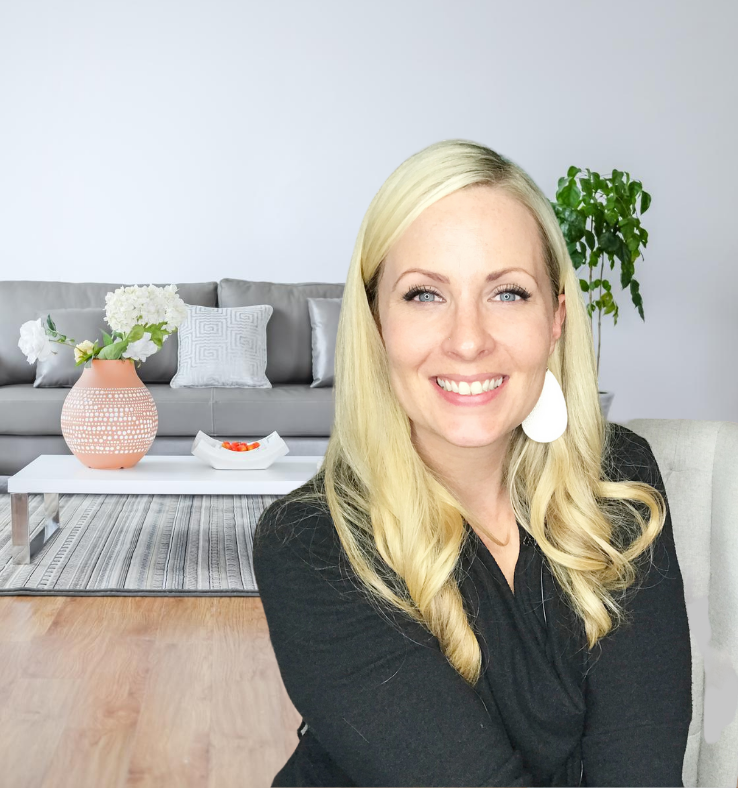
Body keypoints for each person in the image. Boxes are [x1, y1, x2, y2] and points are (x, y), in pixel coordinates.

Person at [253, 139, 692, 787]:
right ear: (376, 323)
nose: (467, 340)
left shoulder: (617, 478)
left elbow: (641, 767)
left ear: (555, 318)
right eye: (424, 295)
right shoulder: (310, 543)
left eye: (508, 293)